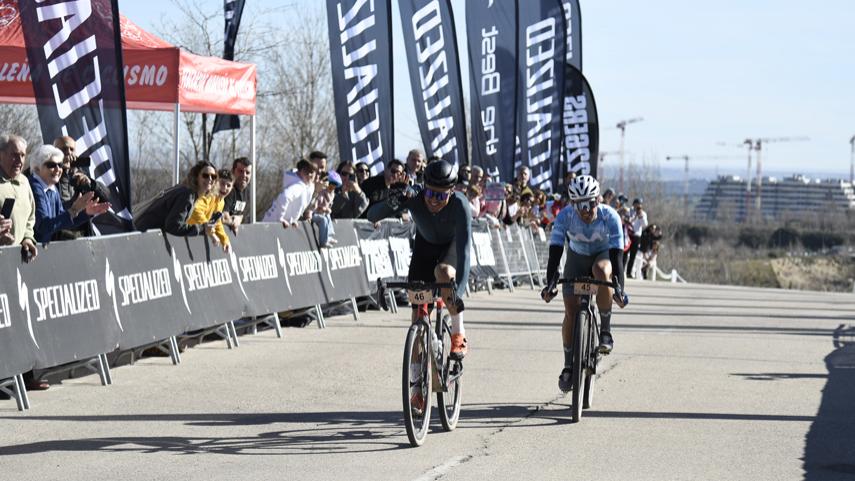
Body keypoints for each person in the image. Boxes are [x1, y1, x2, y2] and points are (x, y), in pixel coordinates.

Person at [367, 160, 471, 361]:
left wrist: (458, 292)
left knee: (444, 273)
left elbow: (465, 251)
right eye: (431, 194)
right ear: (424, 188)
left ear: (451, 192)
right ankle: (416, 384)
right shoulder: (413, 196)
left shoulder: (460, 204)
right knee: (417, 319)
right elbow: (372, 215)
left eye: (441, 196)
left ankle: (459, 333)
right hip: (424, 248)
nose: (434, 200)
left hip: (451, 247)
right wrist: (394, 200)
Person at [540, 175, 628, 393]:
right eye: (579, 205)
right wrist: (550, 284)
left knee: (602, 272)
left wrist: (619, 288)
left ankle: (605, 331)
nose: (585, 210)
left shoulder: (610, 217)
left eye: (589, 203)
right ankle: (569, 365)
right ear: (572, 204)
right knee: (570, 311)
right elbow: (555, 254)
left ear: (598, 200)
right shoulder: (565, 217)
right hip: (576, 258)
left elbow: (617, 257)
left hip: (602, 254)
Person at [28, 145, 110, 244]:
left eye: (60, 164)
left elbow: (63, 222)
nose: (58, 169)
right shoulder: (34, 187)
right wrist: (73, 210)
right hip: (30, 251)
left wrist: (86, 213)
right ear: (37, 169)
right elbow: (43, 226)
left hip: (45, 250)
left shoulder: (51, 187)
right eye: (51, 165)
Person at [135, 161, 218, 237]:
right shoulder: (187, 195)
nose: (210, 179)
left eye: (213, 176)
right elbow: (173, 226)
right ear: (196, 177)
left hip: (144, 233)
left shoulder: (187, 191)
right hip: (142, 235)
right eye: (205, 175)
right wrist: (202, 228)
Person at [0, 134, 38, 259]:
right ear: (1, 155)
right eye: (14, 155)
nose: (20, 161)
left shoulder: (24, 182)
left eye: (22, 155)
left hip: (17, 259)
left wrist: (27, 238)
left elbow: (30, 218)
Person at [262, 159, 318, 227]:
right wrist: (280, 218)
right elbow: (284, 197)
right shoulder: (298, 186)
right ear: (300, 171)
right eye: (306, 171)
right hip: (272, 223)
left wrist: (292, 220)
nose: (309, 175)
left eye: (312, 172)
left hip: (273, 222)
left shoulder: (307, 185)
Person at [188, 168, 233, 252]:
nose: (224, 188)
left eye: (228, 185)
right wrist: (209, 230)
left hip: (196, 235)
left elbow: (216, 222)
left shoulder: (221, 202)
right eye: (222, 183)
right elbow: (196, 210)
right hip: (186, 231)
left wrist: (225, 240)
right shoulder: (209, 194)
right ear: (216, 182)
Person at [222, 157, 252, 234]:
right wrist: (234, 222)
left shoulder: (249, 192)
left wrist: (238, 219)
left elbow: (243, 215)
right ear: (233, 171)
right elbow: (223, 216)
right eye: (240, 171)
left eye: (247, 172)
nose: (244, 175)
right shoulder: (228, 190)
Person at [312, 171, 339, 247]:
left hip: (320, 213)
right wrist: (323, 208)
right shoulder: (319, 192)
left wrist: (327, 210)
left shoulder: (329, 194)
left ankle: (329, 237)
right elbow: (315, 205)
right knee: (324, 219)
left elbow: (328, 206)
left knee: (327, 216)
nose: (332, 186)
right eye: (331, 184)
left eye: (335, 185)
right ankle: (323, 242)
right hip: (313, 214)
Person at [627, 197, 648, 278]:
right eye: (636, 204)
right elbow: (628, 220)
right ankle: (621, 271)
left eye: (639, 204)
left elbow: (645, 225)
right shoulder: (629, 211)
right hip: (628, 234)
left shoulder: (643, 214)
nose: (638, 206)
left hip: (636, 236)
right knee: (625, 254)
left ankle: (629, 273)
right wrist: (633, 215)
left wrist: (640, 216)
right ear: (633, 204)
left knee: (633, 255)